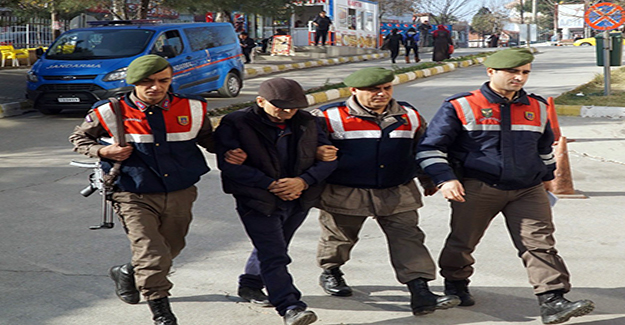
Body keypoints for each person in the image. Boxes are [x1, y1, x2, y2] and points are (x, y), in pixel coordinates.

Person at [416, 48, 595, 324]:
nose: (519, 78)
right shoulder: (461, 105)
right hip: (477, 186)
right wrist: (445, 179)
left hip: (527, 188)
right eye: (512, 72)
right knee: (463, 242)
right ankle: (455, 282)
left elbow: (544, 147)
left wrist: (547, 176)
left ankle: (552, 300)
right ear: (491, 72)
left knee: (540, 244)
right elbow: (430, 147)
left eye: (524, 72)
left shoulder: (537, 106)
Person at [69, 54, 218, 325]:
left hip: (180, 189)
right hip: (131, 191)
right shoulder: (109, 111)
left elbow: (208, 139)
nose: (156, 87)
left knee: (172, 246)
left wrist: (235, 150)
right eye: (147, 82)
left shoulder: (192, 107)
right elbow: (79, 138)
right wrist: (104, 150)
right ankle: (161, 312)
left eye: (163, 81)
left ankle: (126, 271)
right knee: (150, 251)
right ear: (133, 82)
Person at [312, 67, 461, 316]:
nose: (382, 94)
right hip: (345, 190)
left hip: (397, 188)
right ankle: (331, 271)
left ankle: (420, 291)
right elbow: (306, 148)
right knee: (338, 238)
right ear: (354, 91)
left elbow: (421, 148)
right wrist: (317, 154)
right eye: (373, 90)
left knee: (409, 238)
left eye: (386, 88)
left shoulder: (409, 114)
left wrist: (428, 180)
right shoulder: (329, 116)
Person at [214, 77, 338, 325]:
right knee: (275, 254)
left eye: (293, 107)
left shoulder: (310, 122)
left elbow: (330, 159)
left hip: (299, 198)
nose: (288, 112)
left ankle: (250, 284)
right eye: (280, 107)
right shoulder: (237, 123)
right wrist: (269, 184)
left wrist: (302, 182)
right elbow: (229, 167)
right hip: (257, 200)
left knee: (275, 247)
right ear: (260, 101)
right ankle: (290, 306)